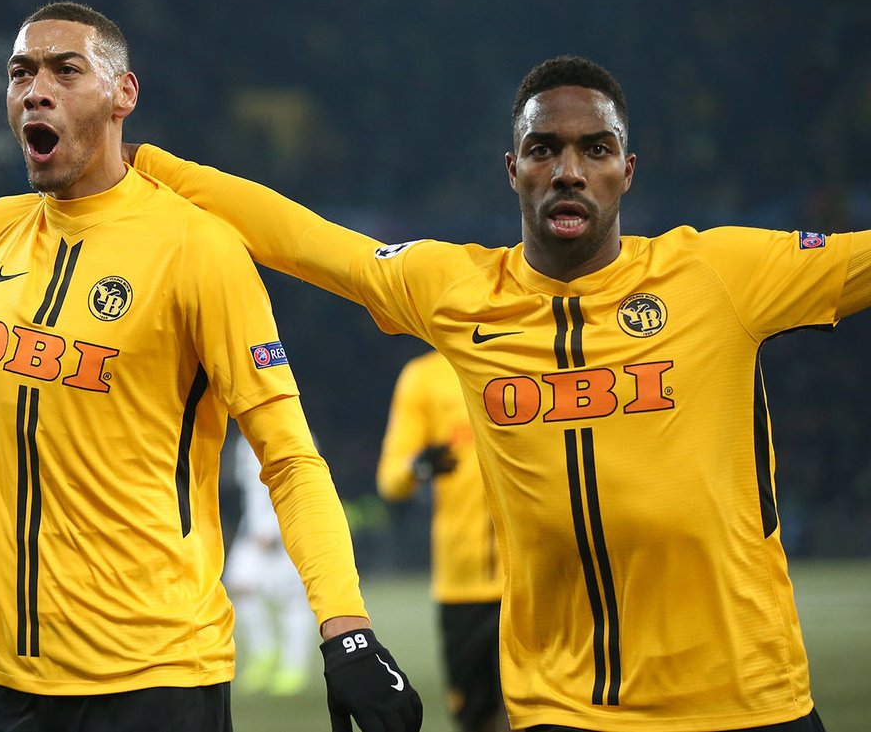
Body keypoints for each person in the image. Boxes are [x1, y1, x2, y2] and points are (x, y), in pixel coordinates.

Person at [125, 55, 871, 730]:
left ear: (628, 170)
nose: (569, 170)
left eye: (596, 149)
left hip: (746, 700)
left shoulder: (718, 275)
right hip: (563, 708)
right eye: (545, 149)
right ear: (513, 169)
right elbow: (304, 239)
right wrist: (144, 162)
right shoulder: (463, 292)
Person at [0, 1, 422, 732]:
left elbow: (289, 457)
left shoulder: (197, 248)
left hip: (155, 679)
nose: (37, 91)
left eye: (66, 70)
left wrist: (345, 627)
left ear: (122, 93)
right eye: (21, 73)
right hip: (6, 678)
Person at [377, 350, 505, 732]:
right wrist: (418, 465)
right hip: (461, 583)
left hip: (534, 582)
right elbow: (391, 480)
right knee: (475, 718)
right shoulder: (425, 377)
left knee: (538, 713)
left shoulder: (530, 356)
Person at [224, 432, 316, 697]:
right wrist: (253, 525)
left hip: (286, 531)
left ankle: (294, 666)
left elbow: (300, 485)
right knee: (239, 586)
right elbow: (252, 492)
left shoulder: (292, 430)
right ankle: (264, 652)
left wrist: (273, 527)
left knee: (293, 599)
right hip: (252, 531)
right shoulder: (244, 441)